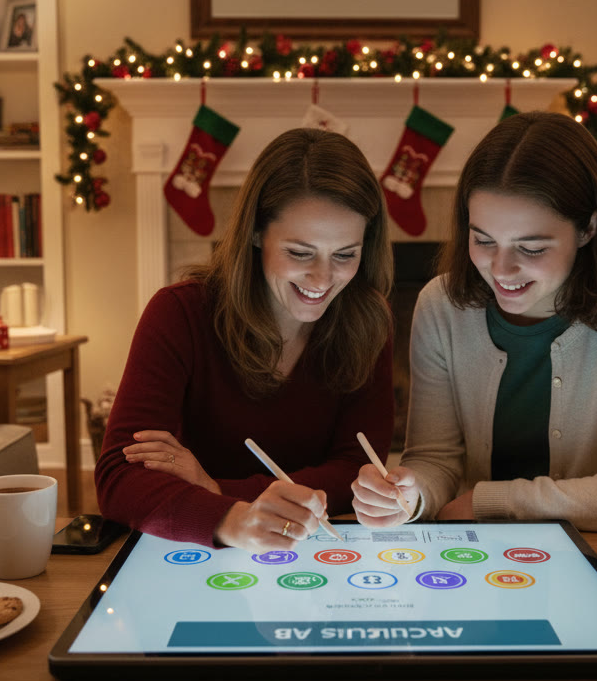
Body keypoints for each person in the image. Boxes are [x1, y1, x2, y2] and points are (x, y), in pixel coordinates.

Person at [352, 111, 597, 532]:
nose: (501, 269)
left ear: (589, 227)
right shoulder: (441, 305)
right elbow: (435, 460)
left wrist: (494, 500)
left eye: (532, 248)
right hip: (478, 557)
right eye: (483, 240)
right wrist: (413, 494)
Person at [94, 127, 395, 552]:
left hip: (315, 552)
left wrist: (216, 486)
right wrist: (233, 520)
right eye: (300, 252)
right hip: (193, 550)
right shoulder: (181, 313)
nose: (324, 279)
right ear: (256, 233)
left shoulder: (368, 319)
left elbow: (359, 470)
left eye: (345, 254)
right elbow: (119, 479)